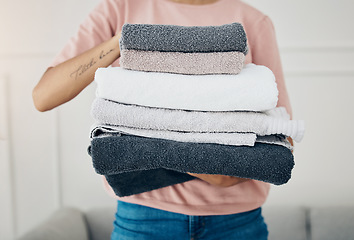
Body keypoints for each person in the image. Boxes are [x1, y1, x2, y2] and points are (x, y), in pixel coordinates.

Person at [33, 0, 293, 239]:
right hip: (143, 220)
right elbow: (43, 96)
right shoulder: (119, 8)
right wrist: (125, 40)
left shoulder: (252, 22)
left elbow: (281, 132)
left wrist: (236, 166)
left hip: (236, 222)